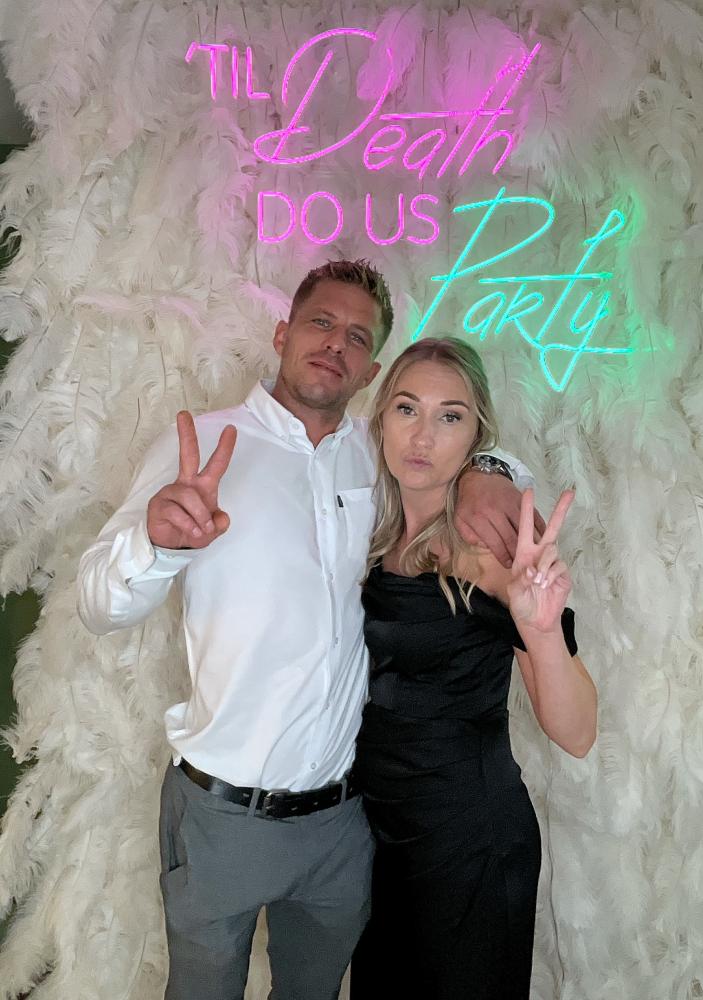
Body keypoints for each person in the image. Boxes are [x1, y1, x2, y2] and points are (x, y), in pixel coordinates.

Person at [76, 261, 542, 1000]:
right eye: (321, 322)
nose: (335, 344)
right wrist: (156, 543)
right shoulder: (203, 444)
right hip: (222, 815)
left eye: (357, 336)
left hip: (343, 824)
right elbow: (99, 605)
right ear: (283, 333)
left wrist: (492, 466)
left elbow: (463, 447)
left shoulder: (384, 456)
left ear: (373, 371)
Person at [349, 337, 597, 1000]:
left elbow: (577, 733)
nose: (422, 436)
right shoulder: (374, 539)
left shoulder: (487, 556)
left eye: (450, 416)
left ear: (475, 436)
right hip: (379, 837)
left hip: (469, 839)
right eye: (407, 408)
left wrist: (540, 630)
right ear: (382, 418)